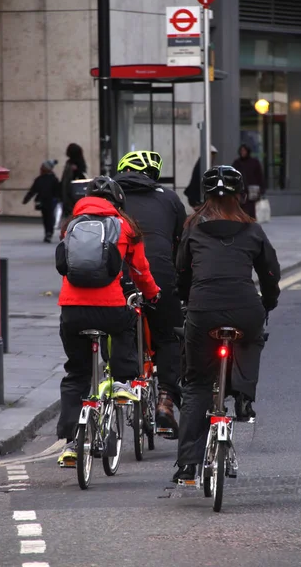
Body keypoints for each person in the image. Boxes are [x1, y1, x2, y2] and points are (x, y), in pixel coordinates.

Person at [173, 165, 280, 482]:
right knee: (252, 337)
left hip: (203, 309)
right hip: (245, 308)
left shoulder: (192, 227)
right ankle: (244, 396)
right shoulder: (253, 231)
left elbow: (181, 273)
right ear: (240, 196)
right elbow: (270, 275)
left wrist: (185, 299)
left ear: (205, 196)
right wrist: (267, 303)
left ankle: (188, 465)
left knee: (196, 383)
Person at [56, 176, 161, 467]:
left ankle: (70, 444)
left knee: (76, 374)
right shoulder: (125, 226)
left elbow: (65, 265)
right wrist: (152, 294)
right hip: (111, 307)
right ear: (118, 202)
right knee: (129, 322)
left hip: (72, 310)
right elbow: (140, 270)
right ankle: (122, 381)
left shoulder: (71, 226)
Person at [114, 150, 187, 437]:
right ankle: (165, 403)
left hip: (118, 275)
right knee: (169, 336)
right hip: (159, 273)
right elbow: (183, 245)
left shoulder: (111, 197)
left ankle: (122, 383)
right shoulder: (169, 198)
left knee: (119, 328)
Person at [22, 159, 60, 243]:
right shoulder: (53, 179)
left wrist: (26, 199)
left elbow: (32, 191)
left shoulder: (40, 179)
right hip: (49, 202)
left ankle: (48, 232)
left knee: (47, 218)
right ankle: (49, 233)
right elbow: (58, 191)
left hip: (45, 201)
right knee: (49, 217)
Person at [232, 144, 265, 219]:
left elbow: (259, 176)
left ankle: (251, 222)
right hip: (241, 189)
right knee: (241, 207)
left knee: (251, 208)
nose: (242, 152)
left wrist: (262, 189)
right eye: (241, 151)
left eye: (244, 151)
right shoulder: (237, 163)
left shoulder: (254, 162)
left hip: (252, 189)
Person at [184, 145, 218, 209]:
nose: (213, 157)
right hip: (197, 197)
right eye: (212, 154)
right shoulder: (203, 164)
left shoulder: (204, 163)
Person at [61, 143, 88, 218]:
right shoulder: (79, 163)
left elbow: (66, 178)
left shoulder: (73, 164)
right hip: (74, 190)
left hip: (70, 190)